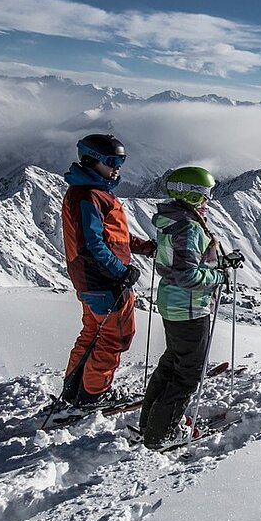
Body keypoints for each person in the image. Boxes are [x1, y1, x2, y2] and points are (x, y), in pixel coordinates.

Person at [140, 165, 244, 449]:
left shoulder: (175, 220)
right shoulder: (187, 226)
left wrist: (221, 262)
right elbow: (187, 274)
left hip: (174, 304)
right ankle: (162, 433)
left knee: (172, 363)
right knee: (188, 372)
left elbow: (186, 262)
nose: (209, 199)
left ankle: (150, 423)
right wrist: (218, 276)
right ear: (193, 194)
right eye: (205, 193)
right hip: (189, 308)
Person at [60, 133, 156, 409]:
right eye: (112, 161)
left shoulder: (92, 192)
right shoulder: (89, 195)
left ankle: (74, 392)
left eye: (121, 161)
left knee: (93, 333)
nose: (118, 167)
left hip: (92, 279)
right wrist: (120, 271)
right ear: (91, 160)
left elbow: (113, 237)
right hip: (103, 280)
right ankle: (92, 395)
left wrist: (144, 247)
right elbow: (92, 243)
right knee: (115, 336)